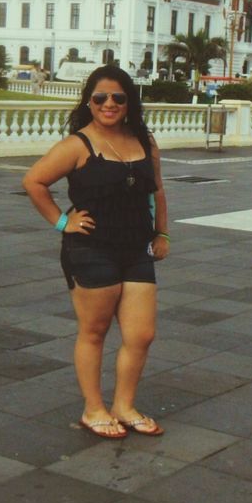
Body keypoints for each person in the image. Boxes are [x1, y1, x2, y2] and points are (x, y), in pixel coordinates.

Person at [22, 64, 170, 439]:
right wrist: (62, 222)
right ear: (89, 102)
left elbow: (157, 191)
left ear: (129, 101)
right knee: (95, 330)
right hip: (90, 250)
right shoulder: (78, 144)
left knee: (141, 334)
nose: (109, 104)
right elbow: (34, 182)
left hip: (137, 248)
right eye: (100, 97)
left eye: (118, 98)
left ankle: (124, 405)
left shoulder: (144, 140)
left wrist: (162, 232)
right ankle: (94, 408)